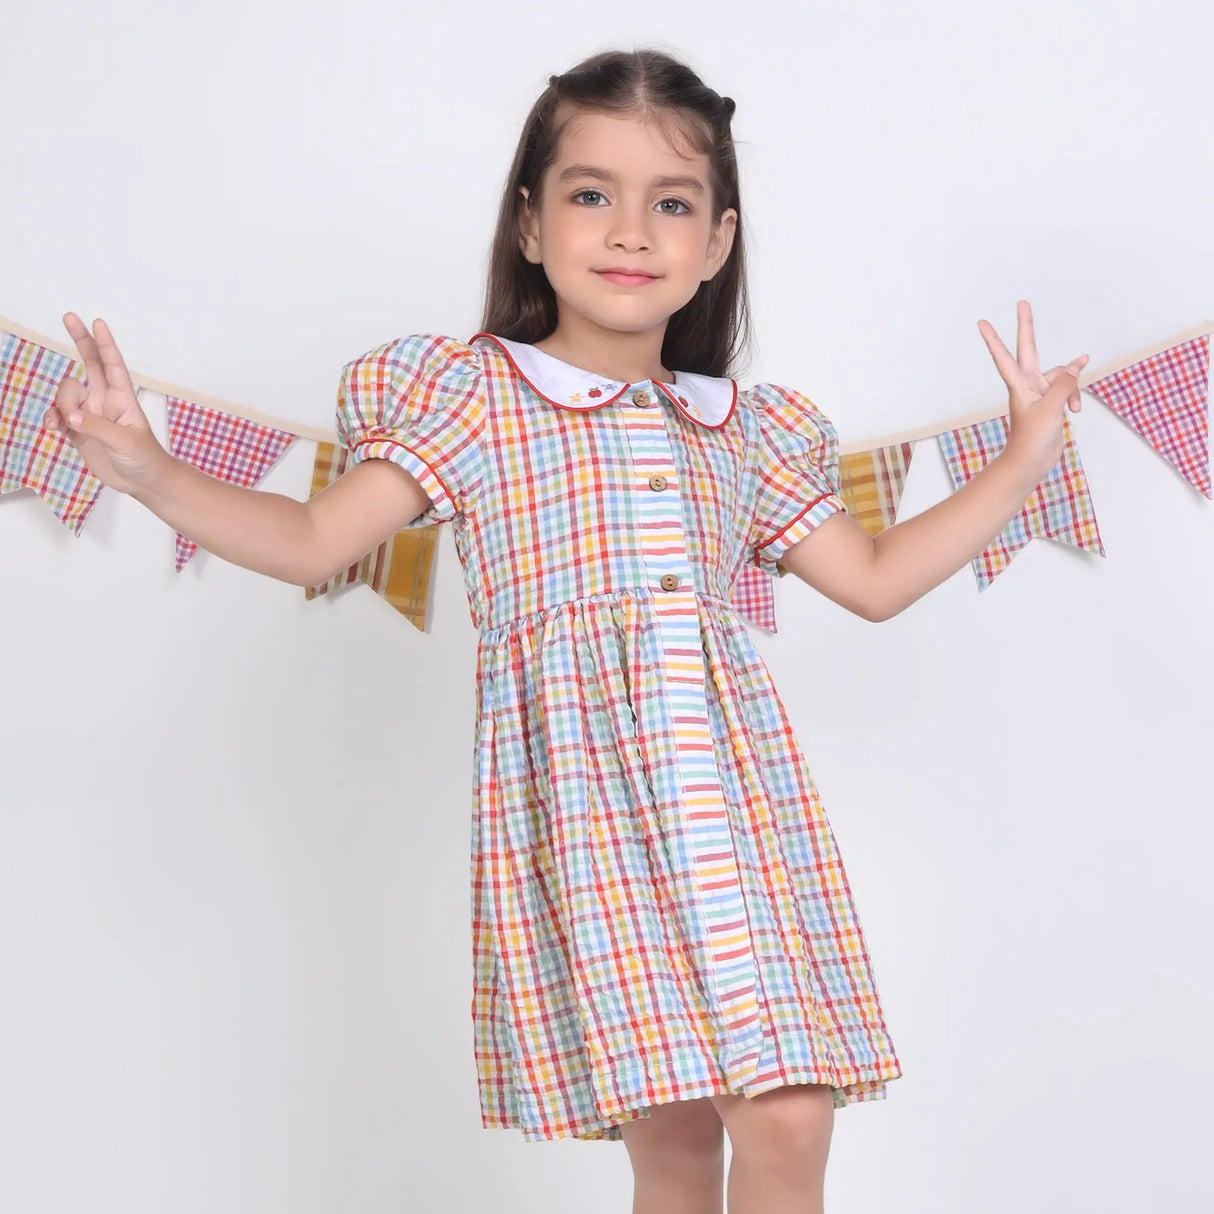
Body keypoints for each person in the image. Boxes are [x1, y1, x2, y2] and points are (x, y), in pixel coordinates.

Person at [46, 46, 1087, 1214]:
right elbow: (309, 540)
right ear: (532, 224)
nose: (632, 230)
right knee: (680, 1143)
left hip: (740, 807)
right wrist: (144, 468)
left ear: (715, 245)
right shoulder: (474, 396)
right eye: (592, 193)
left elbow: (878, 574)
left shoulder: (740, 431)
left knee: (790, 1113)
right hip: (591, 813)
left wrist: (1018, 463)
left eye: (672, 203)